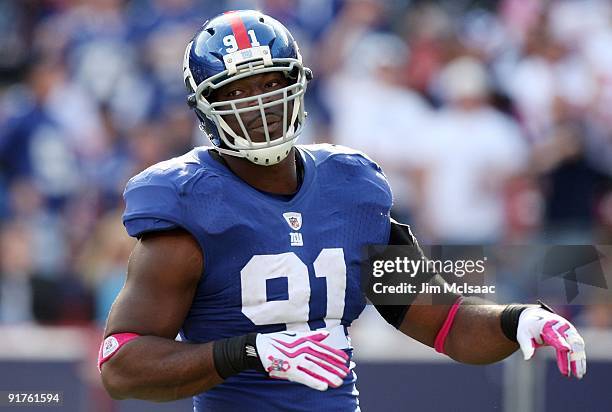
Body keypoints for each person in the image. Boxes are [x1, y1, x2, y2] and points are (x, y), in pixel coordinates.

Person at [98, 10, 586, 411]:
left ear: (298, 85)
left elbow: (443, 321)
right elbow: (120, 365)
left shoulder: (351, 187)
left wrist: (518, 318)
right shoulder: (188, 202)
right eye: (237, 93)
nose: (260, 105)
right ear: (205, 108)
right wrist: (249, 351)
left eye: (269, 84)